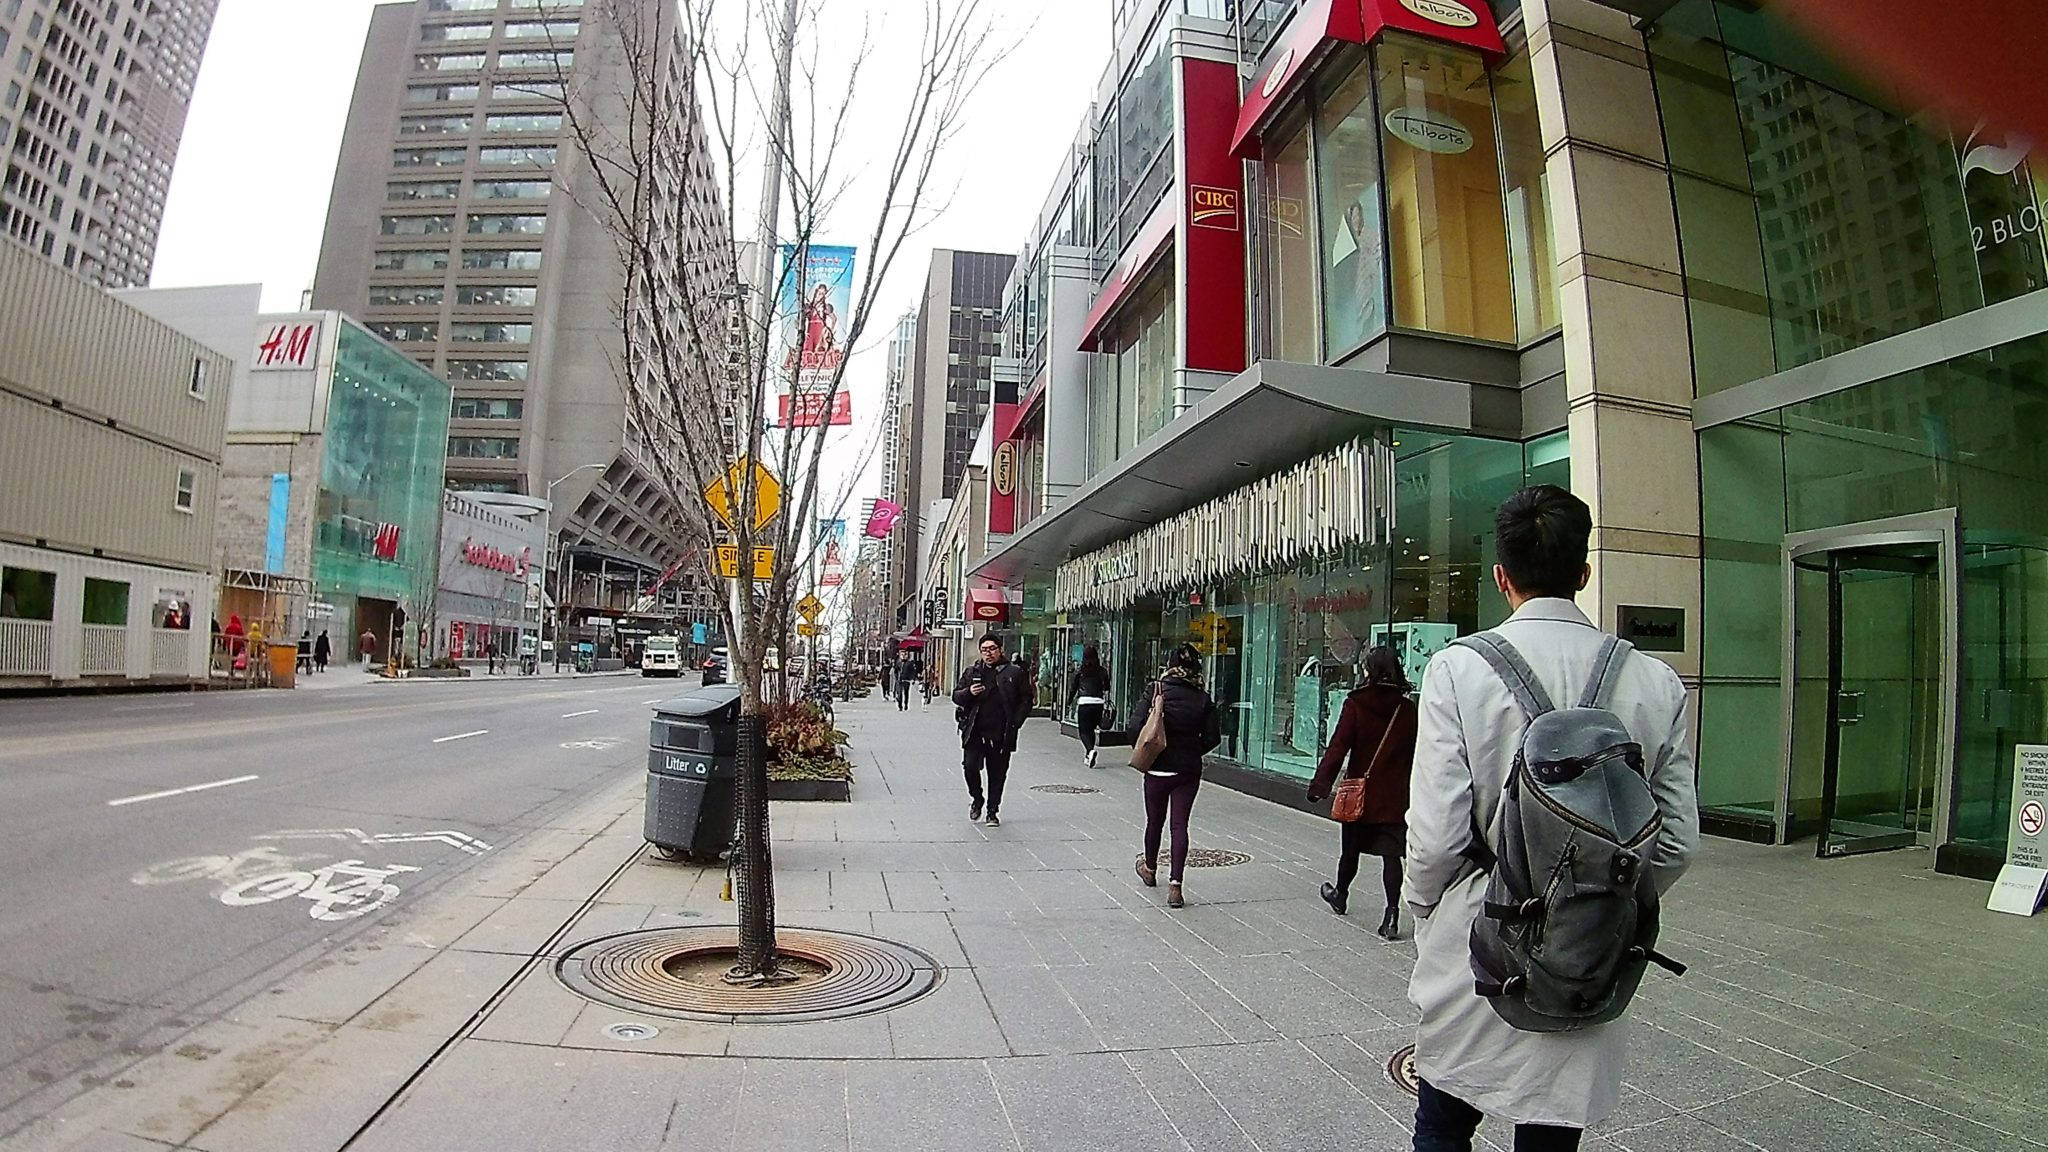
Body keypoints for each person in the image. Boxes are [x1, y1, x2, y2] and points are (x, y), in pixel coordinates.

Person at [1404, 486, 1698, 1152]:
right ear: (1584, 574)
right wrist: (1601, 891)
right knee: (1551, 1133)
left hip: (1479, 939)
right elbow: (1677, 841)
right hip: (1589, 949)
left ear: (1501, 576)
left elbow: (1437, 835)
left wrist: (1427, 911)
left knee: (1445, 1124)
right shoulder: (1655, 680)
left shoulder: (1458, 670)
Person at [1307, 646, 1417, 939]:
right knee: (1392, 856)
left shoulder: (1356, 704)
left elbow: (1338, 747)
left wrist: (1321, 785)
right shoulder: (1407, 709)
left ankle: (1340, 894)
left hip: (1361, 795)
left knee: (1350, 850)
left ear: (1370, 671)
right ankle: (1392, 915)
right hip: (1396, 795)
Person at [1100, 643, 1219, 909]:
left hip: (1157, 768)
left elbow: (1133, 726)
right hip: (1188, 769)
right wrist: (1191, 750)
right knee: (1180, 826)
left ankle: (1150, 868)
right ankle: (1176, 885)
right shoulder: (1202, 697)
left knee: (1154, 821)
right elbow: (1213, 737)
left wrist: (1146, 749)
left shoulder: (1157, 690)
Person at [953, 633, 1028, 827]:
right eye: (984, 650)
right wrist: (969, 692)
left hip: (1000, 733)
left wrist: (1015, 723)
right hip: (975, 731)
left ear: (1000, 649)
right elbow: (956, 696)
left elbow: (1026, 700)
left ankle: (992, 811)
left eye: (992, 649)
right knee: (969, 767)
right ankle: (977, 798)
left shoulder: (1014, 672)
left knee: (997, 773)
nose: (988, 653)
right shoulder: (972, 672)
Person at [1073, 646, 1111, 769]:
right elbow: (1106, 688)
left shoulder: (1080, 671)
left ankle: (1090, 750)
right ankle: (1088, 755)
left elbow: (1073, 688)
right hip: (1098, 703)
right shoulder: (1102, 671)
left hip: (1084, 702)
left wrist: (1069, 702)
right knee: (1092, 729)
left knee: (1084, 731)